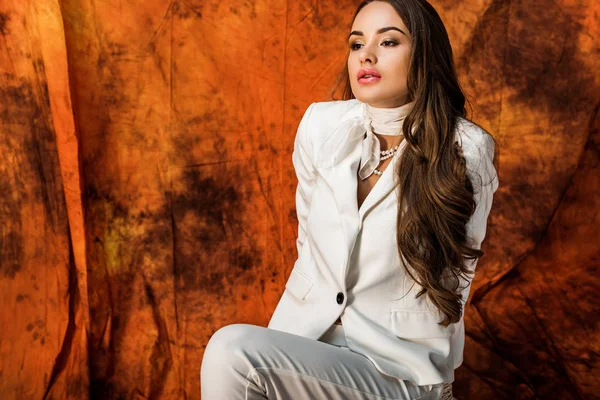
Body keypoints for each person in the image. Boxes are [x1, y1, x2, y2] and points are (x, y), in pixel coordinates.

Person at [200, 0, 499, 398]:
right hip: (308, 344)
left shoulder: (465, 149)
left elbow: (456, 274)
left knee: (231, 349)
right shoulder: (321, 127)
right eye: (357, 44)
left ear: (425, 55)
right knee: (237, 359)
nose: (367, 56)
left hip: (399, 370)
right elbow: (308, 243)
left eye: (389, 42)